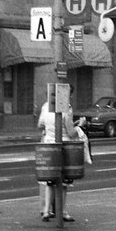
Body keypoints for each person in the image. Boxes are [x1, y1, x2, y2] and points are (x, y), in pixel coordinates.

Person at [37, 90, 76, 223]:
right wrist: (80, 126)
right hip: (63, 146)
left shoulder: (45, 107)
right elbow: (71, 132)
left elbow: (40, 124)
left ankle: (46, 211)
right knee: (63, 182)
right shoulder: (66, 109)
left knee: (50, 181)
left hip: (48, 145)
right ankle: (63, 211)